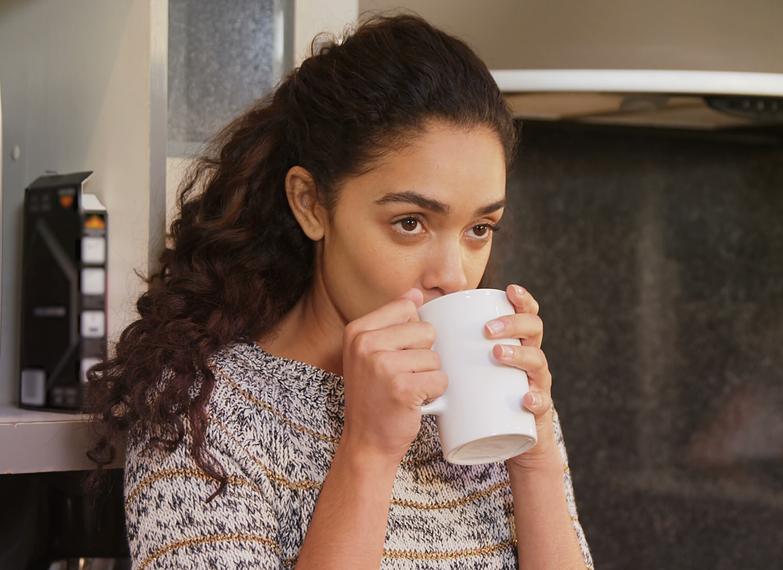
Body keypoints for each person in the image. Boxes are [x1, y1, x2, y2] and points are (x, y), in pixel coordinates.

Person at [86, 11, 594, 569]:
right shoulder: (202, 412)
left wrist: (536, 454)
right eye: (410, 222)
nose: (453, 274)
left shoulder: (489, 396)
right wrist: (368, 452)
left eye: (479, 229)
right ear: (311, 204)